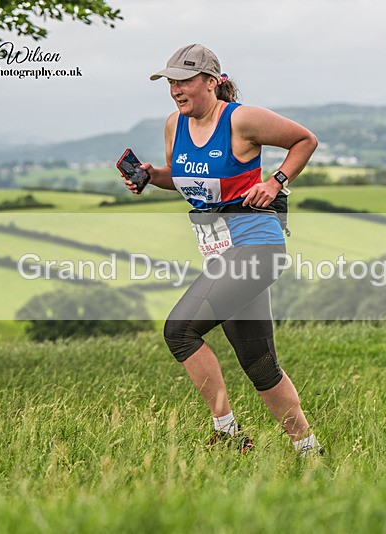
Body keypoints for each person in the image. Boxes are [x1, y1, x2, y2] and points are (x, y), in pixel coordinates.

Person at [122, 43, 322, 455]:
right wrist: (151, 175)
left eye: (185, 81)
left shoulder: (241, 119)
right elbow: (183, 178)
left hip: (257, 248)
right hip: (221, 253)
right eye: (170, 82)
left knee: (180, 331)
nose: (176, 90)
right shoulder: (174, 125)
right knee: (259, 363)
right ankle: (310, 452)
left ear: (211, 82)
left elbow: (305, 140)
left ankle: (228, 434)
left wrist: (276, 182)